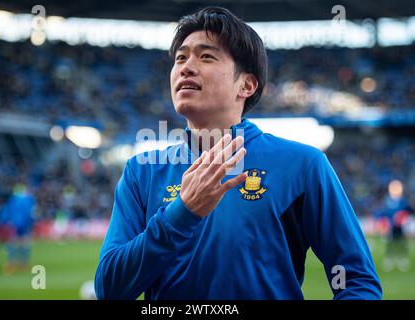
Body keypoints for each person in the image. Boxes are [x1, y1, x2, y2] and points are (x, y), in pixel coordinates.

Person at [95, 7, 382, 299]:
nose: (186, 66)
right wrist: (182, 214)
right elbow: (109, 289)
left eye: (206, 56)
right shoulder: (141, 171)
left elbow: (356, 280)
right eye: (181, 57)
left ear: (246, 84)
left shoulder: (303, 165)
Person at [375, 179, 413, 272]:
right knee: (390, 243)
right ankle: (389, 260)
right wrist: (382, 223)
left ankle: (402, 259)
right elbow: (382, 213)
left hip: (400, 226)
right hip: (390, 226)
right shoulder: (387, 200)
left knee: (402, 243)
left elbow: (409, 211)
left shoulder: (403, 201)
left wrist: (404, 218)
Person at [0, 183, 36, 274]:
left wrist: (4, 221)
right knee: (24, 243)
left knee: (13, 242)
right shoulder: (29, 199)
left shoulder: (13, 199)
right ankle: (24, 264)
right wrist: (31, 223)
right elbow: (32, 212)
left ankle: (11, 264)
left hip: (15, 223)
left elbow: (7, 211)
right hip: (25, 224)